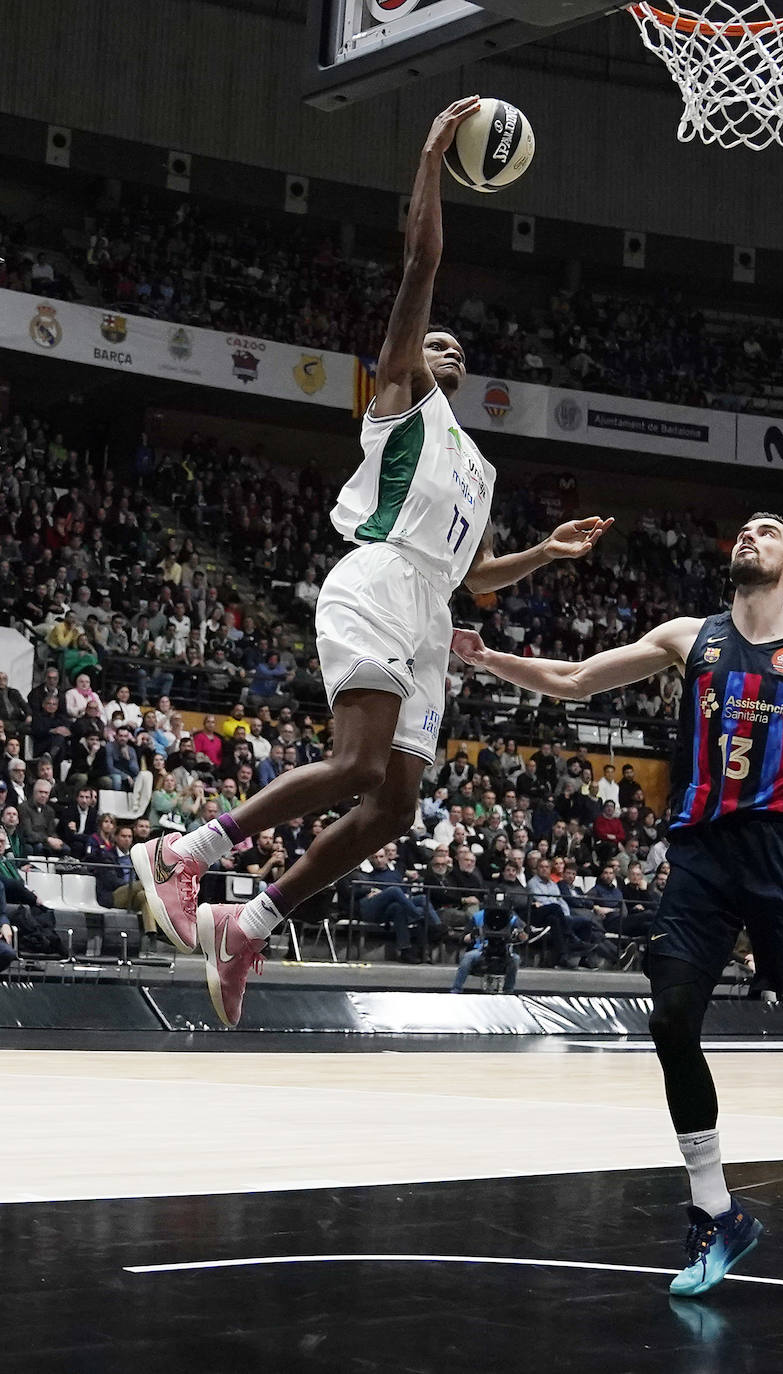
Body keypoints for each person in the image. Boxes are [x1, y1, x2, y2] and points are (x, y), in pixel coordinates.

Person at [130, 98, 611, 1027]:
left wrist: (542, 557)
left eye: (454, 345)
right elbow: (421, 265)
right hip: (375, 580)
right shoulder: (400, 399)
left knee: (394, 805)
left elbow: (471, 579)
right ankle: (186, 854)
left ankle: (251, 922)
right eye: (432, 342)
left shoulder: (479, 464)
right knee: (354, 764)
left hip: (429, 607)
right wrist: (431, 159)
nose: (444, 345)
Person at [452, 511, 783, 1295]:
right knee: (668, 1021)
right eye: (744, 529)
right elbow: (574, 678)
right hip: (700, 855)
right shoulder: (689, 637)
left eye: (766, 533)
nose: (748, 536)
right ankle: (714, 1212)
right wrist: (488, 658)